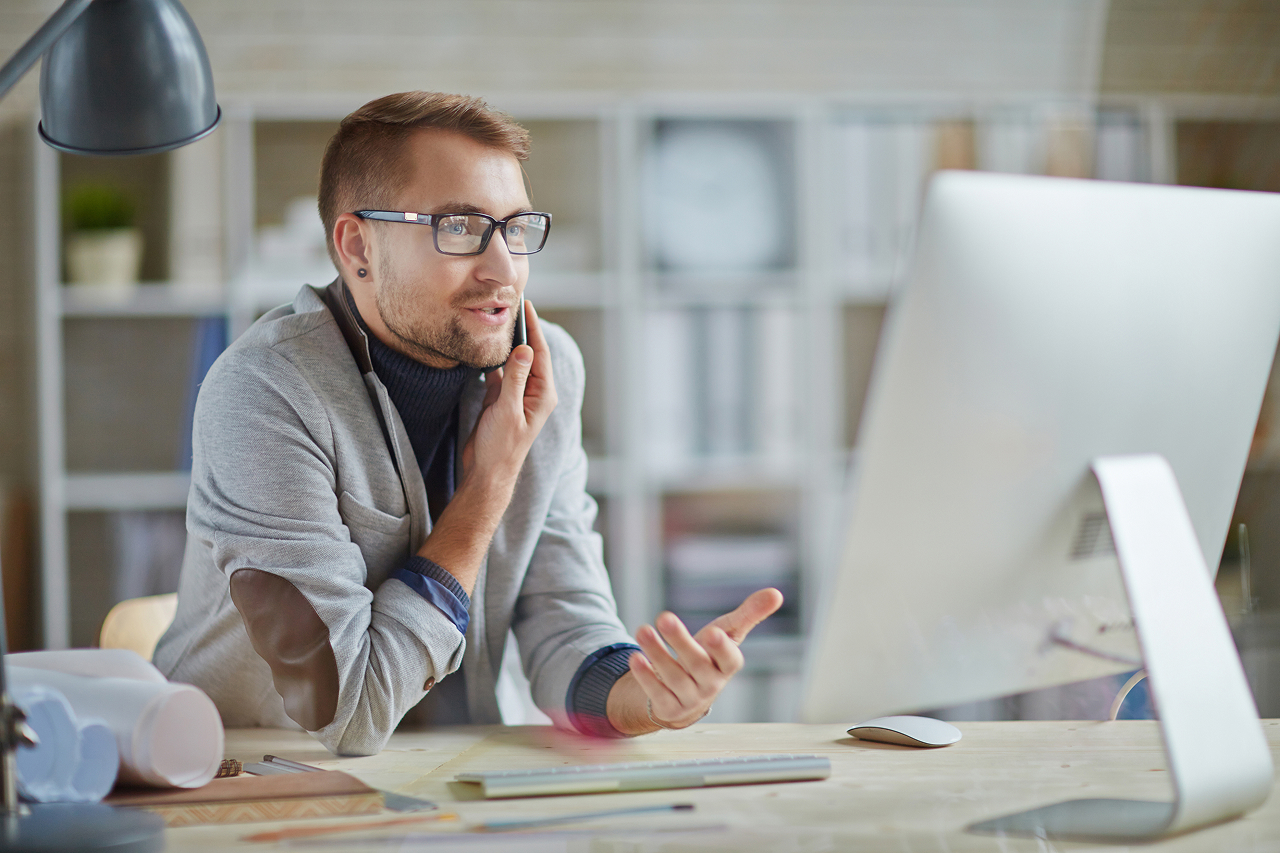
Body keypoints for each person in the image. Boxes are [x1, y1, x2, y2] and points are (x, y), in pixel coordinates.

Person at [153, 91, 783, 756]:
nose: (505, 269)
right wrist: (490, 485)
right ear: (358, 245)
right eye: (459, 228)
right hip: (250, 773)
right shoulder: (265, 390)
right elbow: (349, 711)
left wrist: (650, 697)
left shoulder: (544, 369)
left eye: (516, 229)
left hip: (454, 770)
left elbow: (565, 622)